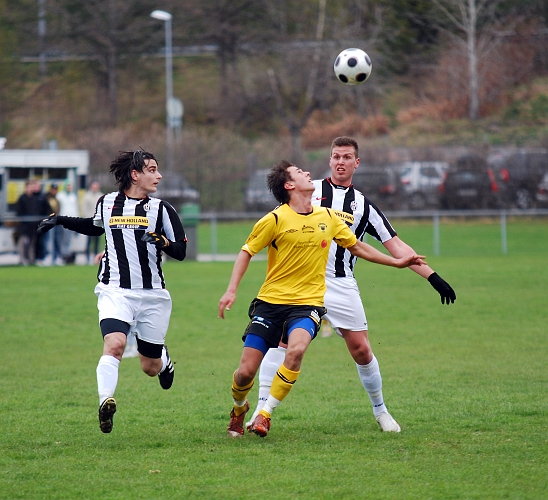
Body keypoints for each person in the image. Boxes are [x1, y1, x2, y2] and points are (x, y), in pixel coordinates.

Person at [247, 137, 457, 433]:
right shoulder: (308, 188)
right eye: (336, 156)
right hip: (300, 283)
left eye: (347, 157)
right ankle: (260, 411)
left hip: (341, 284)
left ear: (356, 163)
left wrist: (433, 277)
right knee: (283, 343)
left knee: (361, 349)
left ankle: (381, 410)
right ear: (329, 160)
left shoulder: (363, 206)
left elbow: (395, 245)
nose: (341, 161)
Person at [218, 159, 426, 438]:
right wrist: (231, 290)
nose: (307, 173)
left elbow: (358, 246)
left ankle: (265, 415)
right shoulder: (275, 219)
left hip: (307, 304)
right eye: (299, 172)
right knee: (245, 373)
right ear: (289, 185)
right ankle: (239, 407)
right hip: (270, 303)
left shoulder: (328, 218)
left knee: (296, 351)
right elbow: (246, 252)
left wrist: (396, 262)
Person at [37, 149, 187, 433]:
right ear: (135, 174)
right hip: (114, 291)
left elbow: (181, 250)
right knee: (115, 344)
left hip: (152, 295)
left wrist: (162, 242)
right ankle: (105, 401)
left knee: (149, 366)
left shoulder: (162, 209)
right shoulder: (107, 203)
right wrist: (60, 220)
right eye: (152, 169)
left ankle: (164, 359)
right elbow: (95, 228)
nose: (159, 175)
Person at [15, 180, 50, 266]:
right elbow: (19, 212)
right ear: (26, 188)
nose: (32, 188)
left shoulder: (36, 198)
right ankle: (22, 259)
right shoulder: (22, 198)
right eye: (30, 186)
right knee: (23, 243)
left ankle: (31, 259)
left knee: (32, 244)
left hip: (33, 226)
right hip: (24, 226)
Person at [56, 183, 79, 264]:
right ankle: (62, 255)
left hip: (71, 221)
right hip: (63, 220)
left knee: (68, 239)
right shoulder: (60, 196)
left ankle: (66, 255)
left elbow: (75, 209)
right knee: (62, 239)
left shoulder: (73, 196)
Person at [81, 181, 104, 264]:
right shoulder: (87, 196)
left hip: (99, 222)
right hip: (90, 221)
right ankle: (87, 258)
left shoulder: (101, 196)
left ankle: (96, 257)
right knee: (89, 241)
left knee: (97, 241)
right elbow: (84, 209)